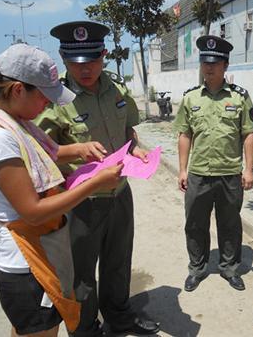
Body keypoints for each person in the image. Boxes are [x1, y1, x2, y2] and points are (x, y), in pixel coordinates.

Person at [0, 44, 124, 337]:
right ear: (18, 90)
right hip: (27, 266)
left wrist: (79, 149)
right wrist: (95, 182)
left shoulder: (18, 124)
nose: (48, 104)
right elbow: (33, 211)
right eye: (43, 96)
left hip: (38, 256)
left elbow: (46, 154)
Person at [35, 21, 159, 336]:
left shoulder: (117, 89)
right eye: (77, 63)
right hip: (81, 202)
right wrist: (75, 149)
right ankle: (86, 328)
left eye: (92, 59)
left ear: (103, 55)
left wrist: (138, 151)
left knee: (118, 262)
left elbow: (128, 132)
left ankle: (119, 317)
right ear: (63, 58)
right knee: (81, 273)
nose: (86, 68)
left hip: (119, 193)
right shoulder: (53, 100)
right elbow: (39, 152)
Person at [173, 35, 253, 292]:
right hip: (198, 173)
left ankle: (229, 269)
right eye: (205, 62)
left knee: (230, 224)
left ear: (225, 65)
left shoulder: (239, 97)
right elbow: (184, 134)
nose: (209, 67)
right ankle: (197, 269)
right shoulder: (190, 98)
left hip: (230, 174)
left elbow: (249, 133)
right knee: (195, 224)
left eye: (215, 62)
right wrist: (182, 169)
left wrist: (249, 169)